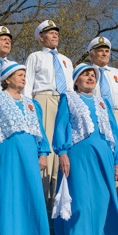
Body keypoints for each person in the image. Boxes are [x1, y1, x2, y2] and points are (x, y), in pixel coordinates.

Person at [0, 62, 53, 235]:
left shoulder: (32, 104)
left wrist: (43, 152)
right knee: (6, 196)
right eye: (19, 74)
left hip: (28, 158)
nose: (23, 78)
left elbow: (40, 132)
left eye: (24, 75)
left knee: (26, 196)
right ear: (7, 79)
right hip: (5, 156)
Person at [52, 63, 118, 235]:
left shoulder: (103, 102)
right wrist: (62, 152)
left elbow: (114, 133)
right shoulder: (69, 98)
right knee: (81, 199)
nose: (91, 77)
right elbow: (61, 126)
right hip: (79, 154)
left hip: (104, 156)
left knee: (101, 200)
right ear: (76, 80)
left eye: (93, 75)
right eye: (86, 74)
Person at [23, 20, 75, 202]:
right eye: (50, 33)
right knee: (46, 147)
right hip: (43, 99)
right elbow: (27, 83)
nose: (55, 36)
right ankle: (42, 196)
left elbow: (71, 87)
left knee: (63, 146)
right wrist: (28, 108)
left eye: (56, 33)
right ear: (41, 37)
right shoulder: (35, 56)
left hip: (64, 102)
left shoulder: (66, 61)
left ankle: (59, 196)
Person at [87, 36, 118, 130]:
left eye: (107, 51)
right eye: (100, 51)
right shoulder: (87, 73)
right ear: (92, 55)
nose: (104, 54)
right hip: (96, 115)